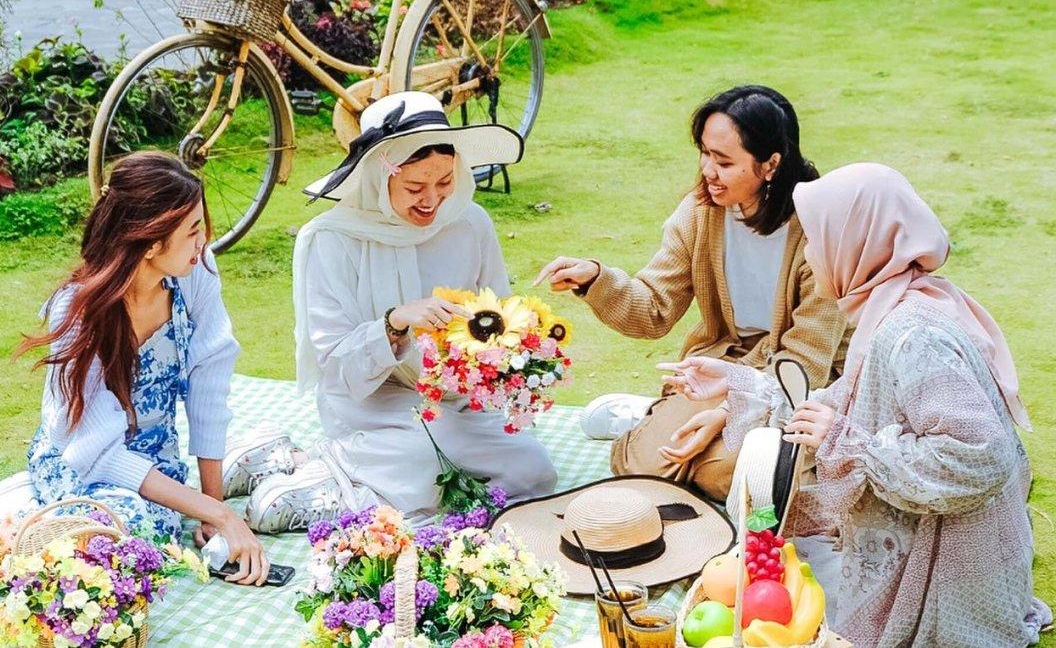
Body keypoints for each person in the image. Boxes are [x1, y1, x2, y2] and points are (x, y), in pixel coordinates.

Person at [661, 163, 1049, 646]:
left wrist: (849, 444)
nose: (809, 254)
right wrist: (736, 381)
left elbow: (979, 457)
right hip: (931, 525)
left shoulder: (912, 334)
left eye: (816, 240)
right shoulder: (893, 305)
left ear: (856, 244)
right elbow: (842, 400)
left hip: (951, 560)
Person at [0, 152, 270, 603]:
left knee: (149, 540)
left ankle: (38, 510)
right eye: (192, 230)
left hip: (154, 460)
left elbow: (210, 384)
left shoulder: (195, 274)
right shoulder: (78, 311)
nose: (203, 240)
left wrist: (213, 507)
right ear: (151, 242)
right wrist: (219, 514)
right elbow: (96, 451)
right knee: (119, 538)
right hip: (79, 456)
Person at [240, 91, 557, 532]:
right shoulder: (332, 239)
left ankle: (296, 460)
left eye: (444, 182)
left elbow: (497, 313)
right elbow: (334, 365)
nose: (432, 200)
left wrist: (505, 362)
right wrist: (395, 323)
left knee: (533, 469)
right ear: (379, 174)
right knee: (429, 452)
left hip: (454, 400)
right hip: (372, 401)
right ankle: (316, 466)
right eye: (414, 188)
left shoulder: (471, 223)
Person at [535, 85, 849, 500]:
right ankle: (660, 418)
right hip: (723, 365)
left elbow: (806, 363)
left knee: (734, 474)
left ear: (771, 164)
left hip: (797, 380)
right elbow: (654, 310)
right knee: (641, 465)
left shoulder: (818, 230)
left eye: (724, 162)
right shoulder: (700, 212)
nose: (708, 171)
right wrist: (596, 279)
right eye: (704, 153)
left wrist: (727, 412)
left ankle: (667, 423)